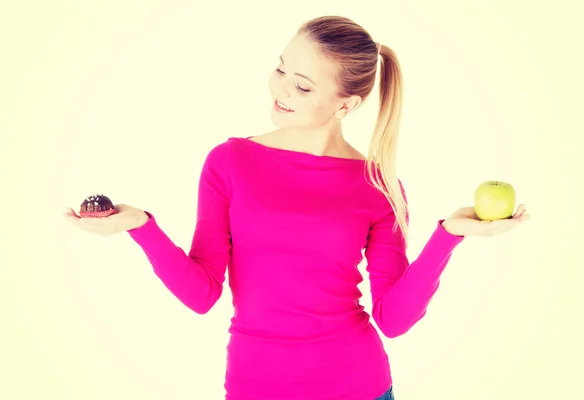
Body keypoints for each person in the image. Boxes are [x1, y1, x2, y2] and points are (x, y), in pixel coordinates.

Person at [64, 15, 530, 400]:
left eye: (302, 86)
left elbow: (394, 319)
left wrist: (449, 235)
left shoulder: (378, 184)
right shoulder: (229, 162)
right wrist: (141, 227)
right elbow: (201, 292)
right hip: (254, 385)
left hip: (359, 385)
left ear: (346, 103)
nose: (280, 88)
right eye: (281, 68)